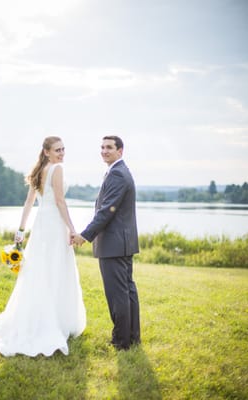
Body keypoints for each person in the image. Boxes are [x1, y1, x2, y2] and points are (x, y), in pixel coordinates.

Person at [0, 136, 86, 357]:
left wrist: (21, 230)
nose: (61, 153)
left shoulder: (39, 169)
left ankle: (41, 317)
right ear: (46, 152)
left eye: (63, 149)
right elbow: (60, 201)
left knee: (39, 271)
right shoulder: (56, 168)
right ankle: (53, 322)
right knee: (55, 270)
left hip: (40, 227)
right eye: (57, 150)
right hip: (54, 226)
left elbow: (29, 203)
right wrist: (72, 229)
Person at [73, 135, 140, 350]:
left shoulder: (118, 174)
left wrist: (85, 235)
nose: (104, 151)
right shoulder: (118, 171)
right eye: (102, 147)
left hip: (114, 244)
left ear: (120, 151)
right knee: (127, 291)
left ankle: (121, 341)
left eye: (109, 147)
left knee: (117, 294)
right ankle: (131, 337)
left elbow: (107, 211)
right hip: (121, 242)